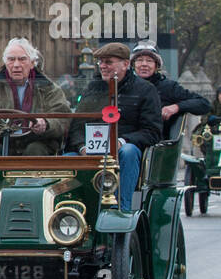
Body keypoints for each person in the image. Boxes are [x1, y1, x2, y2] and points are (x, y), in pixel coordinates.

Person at [68, 42, 162, 211]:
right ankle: (71, 210)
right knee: (67, 158)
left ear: (126, 64)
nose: (103, 66)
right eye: (100, 62)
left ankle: (121, 209)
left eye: (108, 62)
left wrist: (121, 141)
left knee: (129, 152)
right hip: (91, 149)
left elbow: (152, 131)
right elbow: (77, 126)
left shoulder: (146, 90)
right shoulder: (92, 89)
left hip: (122, 149)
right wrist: (81, 147)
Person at [0, 37, 70, 156]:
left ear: (32, 63)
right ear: (5, 63)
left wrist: (46, 124)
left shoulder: (48, 88)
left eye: (22, 59)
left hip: (37, 142)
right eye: (11, 59)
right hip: (3, 141)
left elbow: (63, 119)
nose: (16, 64)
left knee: (34, 150)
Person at [129, 45, 209, 126]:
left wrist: (176, 107)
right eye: (139, 60)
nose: (144, 64)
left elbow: (203, 104)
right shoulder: (124, 86)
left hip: (160, 136)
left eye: (149, 61)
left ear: (157, 65)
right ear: (133, 64)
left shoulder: (169, 87)